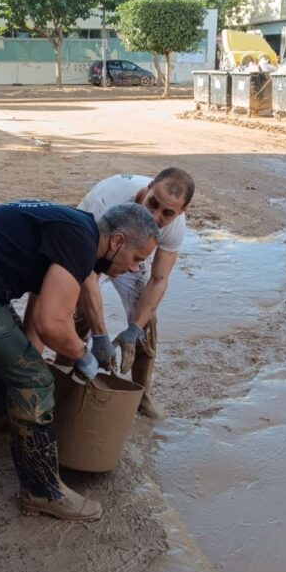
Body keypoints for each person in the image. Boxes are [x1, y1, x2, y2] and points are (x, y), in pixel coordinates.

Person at [0, 200, 159, 522]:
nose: (134, 268)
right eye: (137, 258)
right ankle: (42, 491)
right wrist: (81, 354)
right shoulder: (79, 242)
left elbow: (39, 306)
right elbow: (51, 323)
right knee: (34, 380)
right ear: (117, 242)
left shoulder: (79, 230)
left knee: (15, 351)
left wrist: (33, 352)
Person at [76, 167, 195, 420]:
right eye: (152, 203)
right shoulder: (106, 200)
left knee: (147, 321)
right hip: (95, 246)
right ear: (149, 186)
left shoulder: (174, 226)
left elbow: (159, 278)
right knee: (80, 311)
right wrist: (100, 334)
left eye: (167, 213)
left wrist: (135, 329)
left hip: (133, 255)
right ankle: (70, 375)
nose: (154, 216)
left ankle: (141, 394)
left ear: (181, 212)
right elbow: (87, 275)